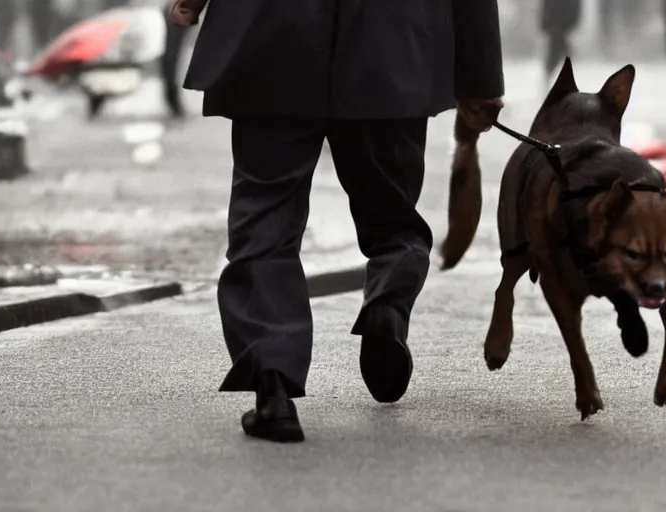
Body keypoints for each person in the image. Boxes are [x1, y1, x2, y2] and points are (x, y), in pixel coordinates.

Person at [172, 0, 505, 443]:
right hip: (390, 42)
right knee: (393, 216)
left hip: (276, 36)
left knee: (265, 215)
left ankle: (272, 380)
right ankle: (387, 303)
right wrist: (480, 76)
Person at [540, 0, 582, 89]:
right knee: (557, 55)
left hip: (564, 25)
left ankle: (553, 80)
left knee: (563, 55)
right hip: (556, 25)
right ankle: (549, 79)